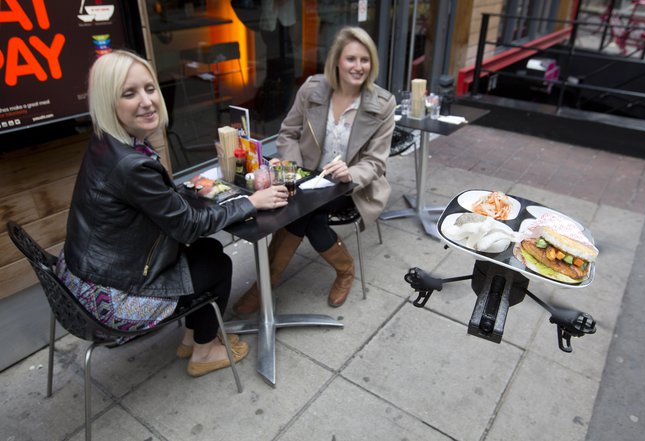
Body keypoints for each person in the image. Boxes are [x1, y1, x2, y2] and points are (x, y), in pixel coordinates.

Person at [56, 50, 290, 378]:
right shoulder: (131, 164)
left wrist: (177, 193)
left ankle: (192, 337)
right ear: (109, 103)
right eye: (129, 93)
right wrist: (252, 202)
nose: (147, 101)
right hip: (108, 298)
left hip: (83, 277)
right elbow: (188, 228)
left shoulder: (107, 142)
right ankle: (204, 353)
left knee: (207, 253)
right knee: (217, 264)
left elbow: (145, 204)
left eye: (149, 88)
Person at [233, 26, 395, 314]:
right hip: (306, 178)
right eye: (351, 59)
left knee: (303, 214)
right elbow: (288, 133)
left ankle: (265, 286)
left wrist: (350, 173)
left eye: (365, 60)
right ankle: (344, 270)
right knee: (310, 215)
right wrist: (295, 169)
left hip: (351, 186)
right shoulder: (312, 89)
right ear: (336, 61)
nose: (358, 66)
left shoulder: (382, 104)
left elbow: (376, 162)